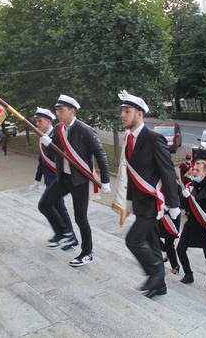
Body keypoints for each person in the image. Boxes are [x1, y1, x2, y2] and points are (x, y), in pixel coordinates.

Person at [38, 94, 111, 267]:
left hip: (79, 181)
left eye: (61, 110)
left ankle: (87, 253)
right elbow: (52, 153)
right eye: (56, 110)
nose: (58, 113)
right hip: (63, 178)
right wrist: (47, 144)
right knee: (44, 204)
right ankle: (65, 234)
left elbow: (100, 154)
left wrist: (106, 180)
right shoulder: (58, 129)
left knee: (80, 218)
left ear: (72, 110)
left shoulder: (84, 130)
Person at [120, 92, 180, 299]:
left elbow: (168, 171)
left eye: (127, 111)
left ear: (139, 114)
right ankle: (160, 286)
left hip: (153, 205)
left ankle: (155, 273)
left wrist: (174, 204)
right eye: (122, 111)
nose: (123, 115)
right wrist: (129, 199)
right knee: (152, 244)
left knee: (132, 240)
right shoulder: (128, 139)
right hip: (139, 203)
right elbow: (131, 172)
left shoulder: (154, 139)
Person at [177, 160, 206, 291]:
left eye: (197, 170)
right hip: (192, 224)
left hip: (205, 227)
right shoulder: (190, 186)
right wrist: (185, 197)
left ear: (204, 173)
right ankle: (188, 274)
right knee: (180, 249)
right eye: (193, 169)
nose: (193, 172)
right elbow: (185, 206)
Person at [33, 107, 77, 250]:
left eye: (40, 121)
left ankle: (69, 236)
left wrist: (50, 144)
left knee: (59, 208)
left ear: (48, 121)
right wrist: (37, 178)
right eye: (37, 121)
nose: (37, 124)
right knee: (54, 207)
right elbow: (42, 160)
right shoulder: (42, 137)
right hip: (49, 179)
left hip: (58, 179)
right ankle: (66, 235)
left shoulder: (57, 134)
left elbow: (61, 157)